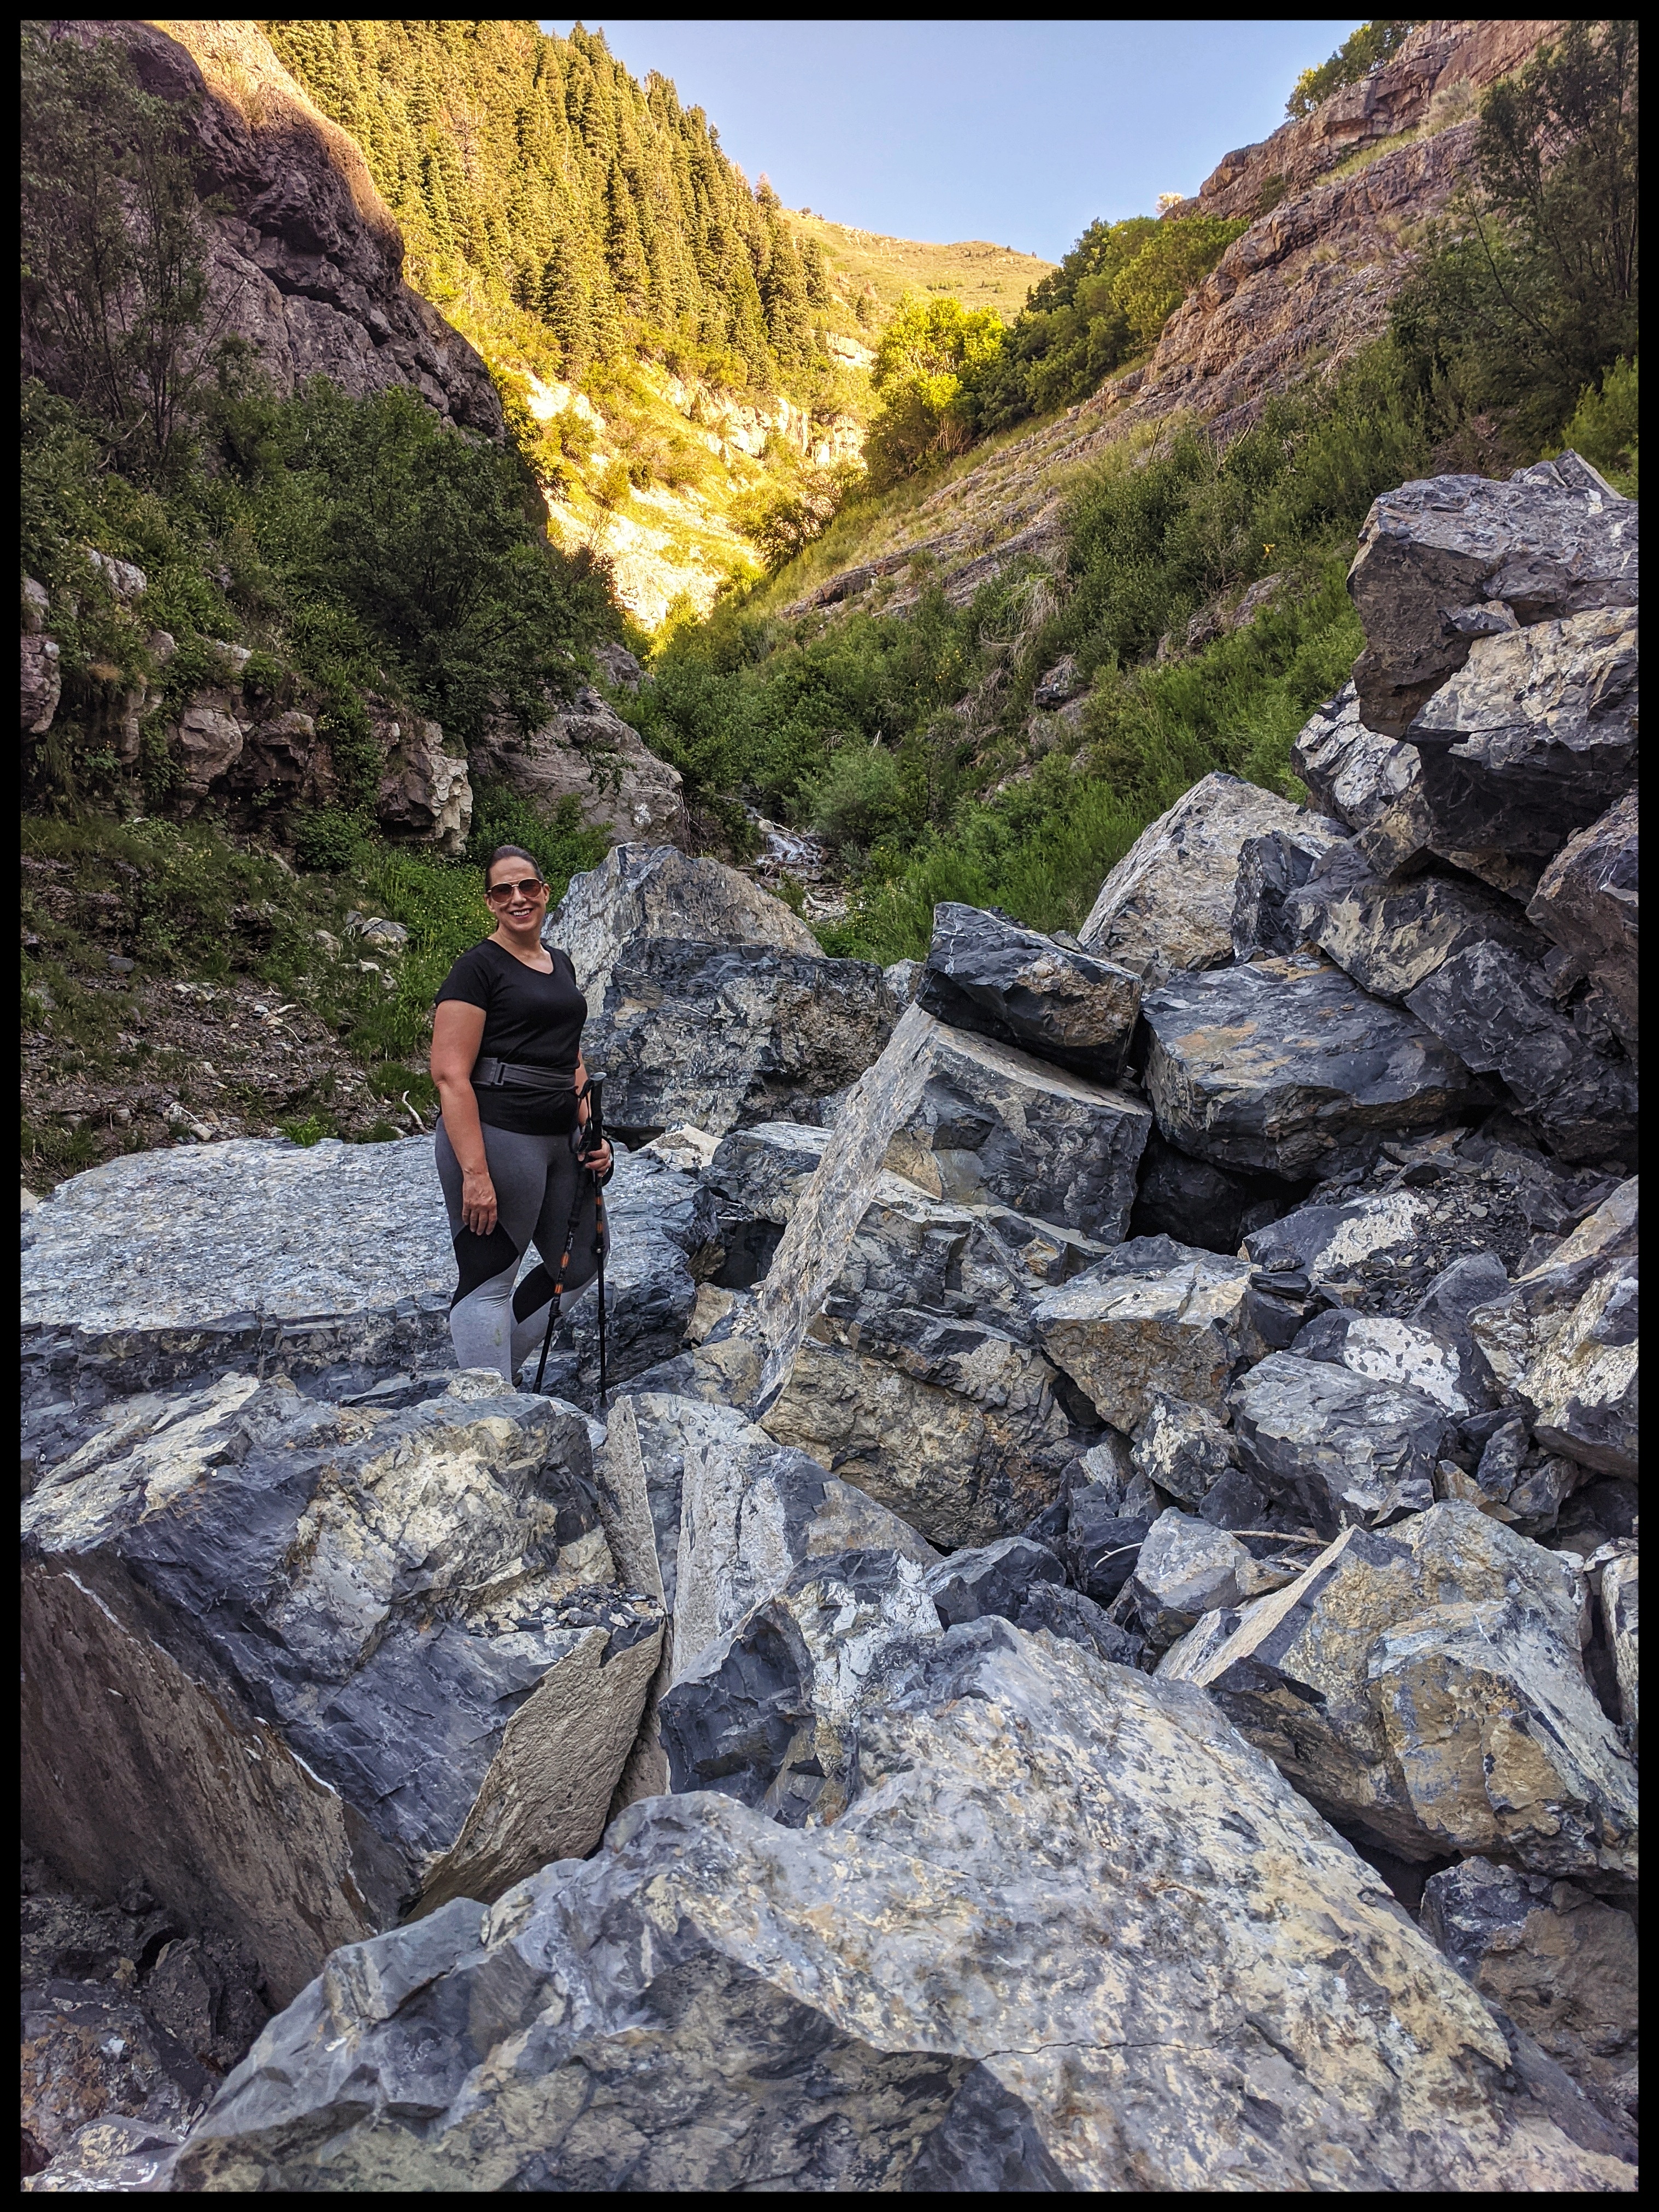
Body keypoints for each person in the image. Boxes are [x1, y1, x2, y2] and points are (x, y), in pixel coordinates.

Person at [430, 844, 613, 1384]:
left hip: (561, 1136)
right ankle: (491, 1409)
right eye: (503, 891)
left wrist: (592, 1132)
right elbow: (449, 1074)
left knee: (581, 1262)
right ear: (490, 902)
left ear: (544, 891)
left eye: (527, 886)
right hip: (498, 1134)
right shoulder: (477, 969)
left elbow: (569, 1055)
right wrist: (475, 1172)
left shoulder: (560, 963)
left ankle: (492, 1370)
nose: (517, 899)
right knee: (489, 1278)